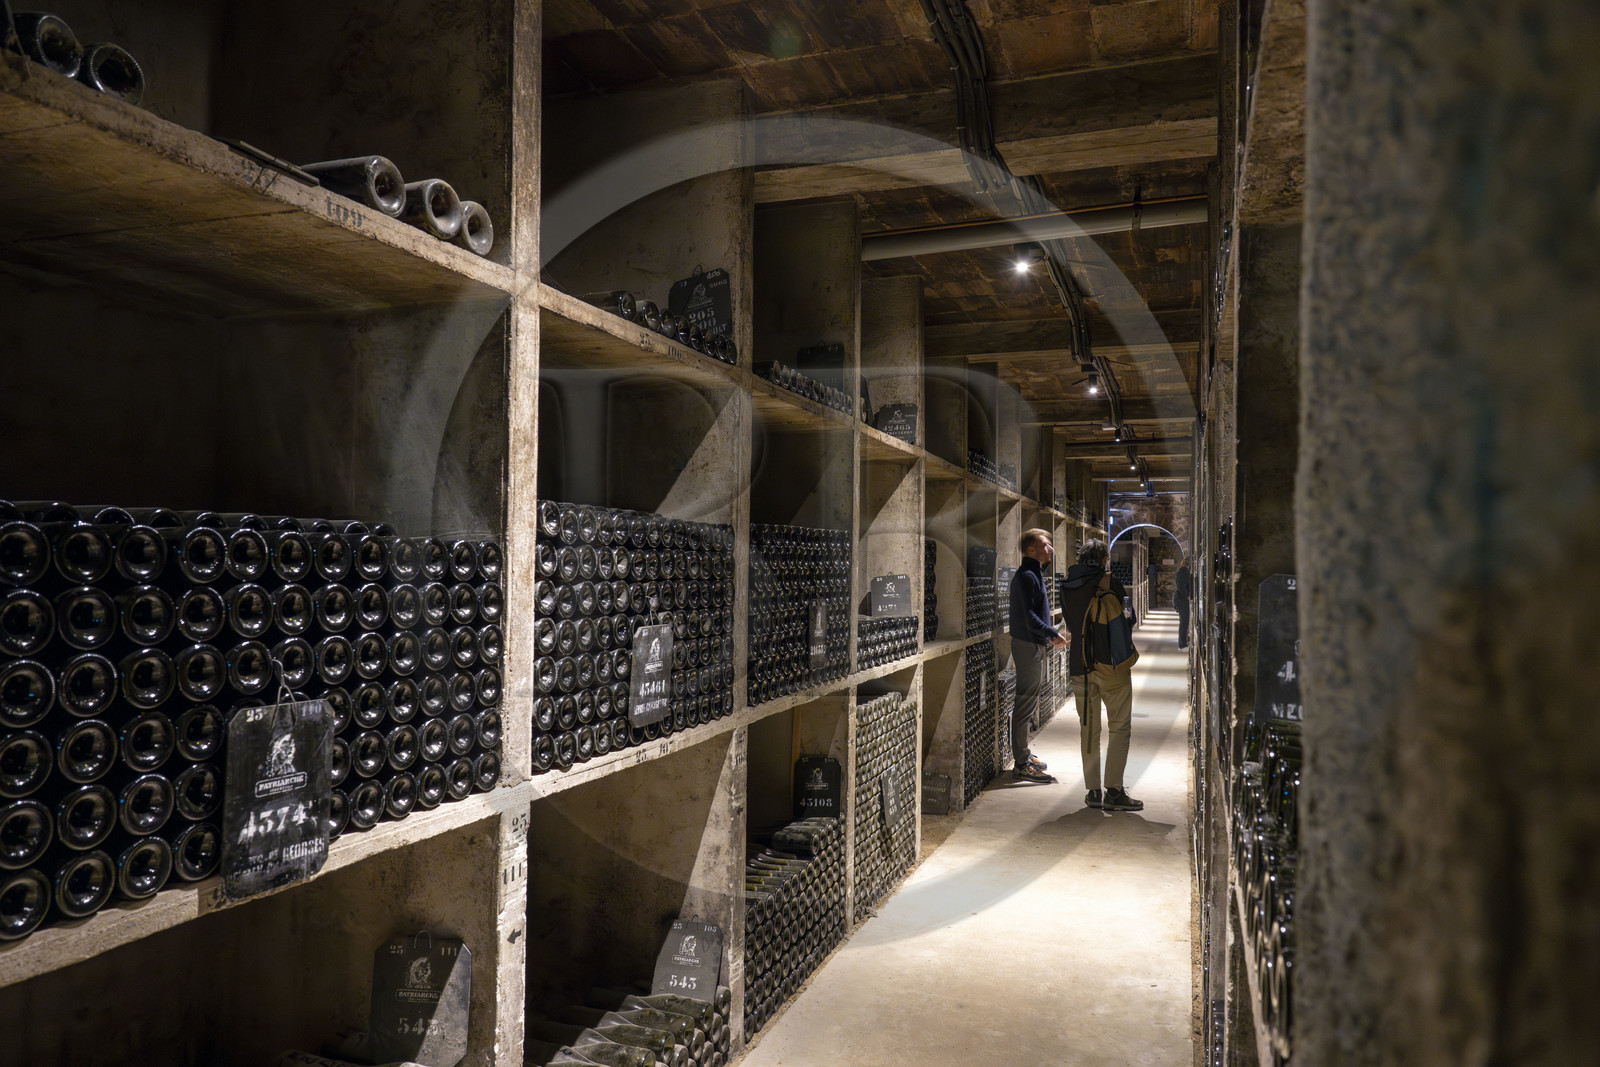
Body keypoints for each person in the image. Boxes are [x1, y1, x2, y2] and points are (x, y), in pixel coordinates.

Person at [1059, 539, 1143, 811]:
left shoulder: (1066, 586)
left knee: (1088, 729)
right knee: (1119, 726)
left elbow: (1071, 623)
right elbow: (1128, 620)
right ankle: (1114, 790)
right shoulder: (1110, 582)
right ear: (1104, 558)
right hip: (1110, 666)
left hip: (1079, 665)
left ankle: (1093, 791)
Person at [1007, 528, 1067, 784]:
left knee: (1029, 703)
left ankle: (1024, 754)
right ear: (1031, 550)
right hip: (1028, 645)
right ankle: (1020, 763)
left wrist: (1048, 635)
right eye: (1045, 545)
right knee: (1024, 704)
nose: (1050, 548)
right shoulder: (1026, 576)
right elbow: (1027, 616)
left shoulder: (1034, 574)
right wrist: (1052, 633)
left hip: (1033, 644)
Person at [1175, 556, 1193, 649]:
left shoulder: (1183, 570)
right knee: (1184, 621)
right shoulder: (1183, 571)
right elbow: (1181, 586)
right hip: (1182, 600)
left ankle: (1183, 642)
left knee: (1184, 621)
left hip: (1181, 599)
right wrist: (1188, 595)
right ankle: (1182, 644)